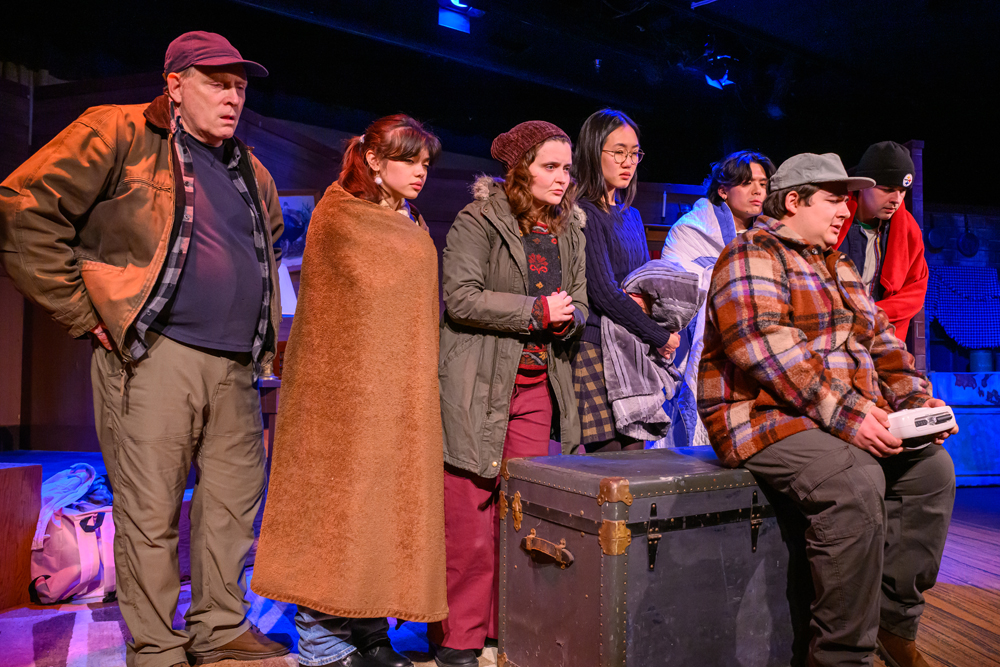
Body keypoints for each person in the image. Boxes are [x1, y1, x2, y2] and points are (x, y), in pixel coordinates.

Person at [0, 31, 288, 667]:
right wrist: (84, 311)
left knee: (230, 510)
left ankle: (220, 631)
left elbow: (264, 245)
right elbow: (23, 208)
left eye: (240, 86)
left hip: (236, 368)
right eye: (218, 82)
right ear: (176, 84)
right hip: (156, 356)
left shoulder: (251, 170)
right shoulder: (119, 133)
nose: (233, 96)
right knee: (149, 509)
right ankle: (157, 646)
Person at [698, 152, 956, 667]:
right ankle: (841, 656)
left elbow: (883, 342)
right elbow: (767, 348)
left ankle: (893, 624)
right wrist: (852, 417)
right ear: (793, 201)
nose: (846, 209)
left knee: (931, 471)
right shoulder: (752, 252)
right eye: (834, 198)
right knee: (855, 482)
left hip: (833, 414)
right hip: (762, 417)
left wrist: (916, 403)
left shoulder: (836, 264)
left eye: (847, 198)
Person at [251, 115, 447, 667]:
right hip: (344, 397)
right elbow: (335, 318)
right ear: (375, 161)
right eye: (409, 160)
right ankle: (321, 637)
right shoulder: (338, 216)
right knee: (341, 509)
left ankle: (368, 627)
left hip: (398, 396)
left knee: (385, 507)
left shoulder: (410, 220)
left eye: (426, 163)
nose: (421, 173)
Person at [430, 121, 588, 667]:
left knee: (520, 515)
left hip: (540, 385)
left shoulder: (571, 229)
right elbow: (461, 299)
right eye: (550, 167)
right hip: (477, 384)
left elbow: (583, 304)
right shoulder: (479, 220)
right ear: (520, 169)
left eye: (567, 168)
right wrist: (536, 313)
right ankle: (459, 637)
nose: (562, 179)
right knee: (470, 517)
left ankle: (507, 628)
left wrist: (568, 321)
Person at [571, 108, 678, 452]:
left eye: (634, 153)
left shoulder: (631, 215)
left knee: (636, 457)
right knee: (608, 462)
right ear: (592, 151)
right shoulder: (584, 211)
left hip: (631, 348)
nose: (628, 161)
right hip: (597, 348)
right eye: (618, 152)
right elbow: (602, 292)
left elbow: (645, 284)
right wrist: (660, 336)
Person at [659, 150, 775, 447]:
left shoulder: (770, 235)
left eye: (763, 183)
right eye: (748, 183)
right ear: (723, 190)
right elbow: (675, 291)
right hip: (705, 345)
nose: (758, 191)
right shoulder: (691, 230)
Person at [836, 141, 927, 343]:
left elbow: (916, 290)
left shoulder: (908, 229)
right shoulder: (835, 218)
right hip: (833, 330)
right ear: (863, 185)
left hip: (882, 336)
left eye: (902, 191)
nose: (896, 199)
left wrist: (872, 314)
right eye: (887, 189)